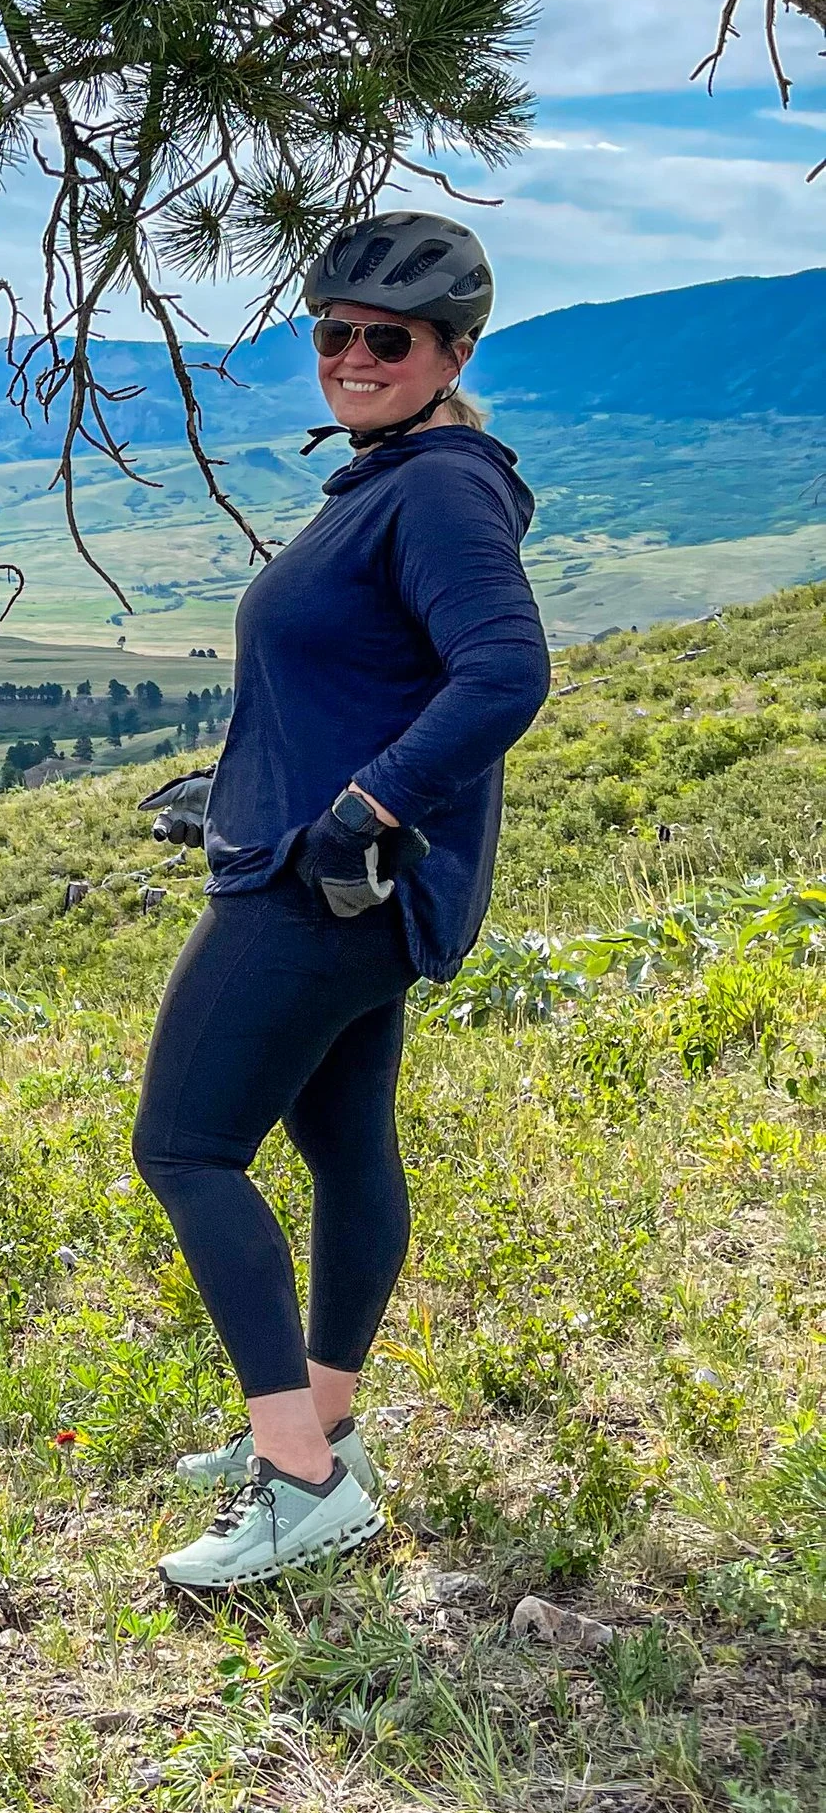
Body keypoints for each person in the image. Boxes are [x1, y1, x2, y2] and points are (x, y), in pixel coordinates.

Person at [131, 212, 551, 1590]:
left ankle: (298, 1480)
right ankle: (327, 1423)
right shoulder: (392, 479)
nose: (355, 357)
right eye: (334, 334)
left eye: (389, 338)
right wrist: (241, 781)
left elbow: (503, 673)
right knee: (343, 1141)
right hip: (335, 874)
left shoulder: (438, 488)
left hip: (322, 888)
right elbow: (364, 676)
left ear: (450, 353)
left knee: (188, 1147)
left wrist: (364, 806)